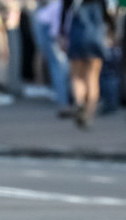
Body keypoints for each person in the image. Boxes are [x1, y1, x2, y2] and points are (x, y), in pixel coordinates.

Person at [61, 0, 114, 128]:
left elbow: (64, 12)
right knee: (93, 77)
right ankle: (89, 114)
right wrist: (112, 31)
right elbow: (107, 13)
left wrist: (61, 35)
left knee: (77, 76)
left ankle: (79, 104)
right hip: (95, 37)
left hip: (77, 36)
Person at [32, 0, 72, 118]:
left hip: (48, 26)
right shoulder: (58, 6)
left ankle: (64, 100)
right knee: (59, 67)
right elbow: (57, 21)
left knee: (60, 67)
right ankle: (63, 103)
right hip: (50, 29)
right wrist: (59, 39)